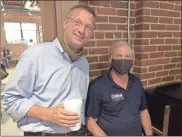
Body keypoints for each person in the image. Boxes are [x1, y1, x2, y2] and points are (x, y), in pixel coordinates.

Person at [1, 4, 95, 136]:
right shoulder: (36, 54)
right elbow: (10, 100)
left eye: (88, 27)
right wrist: (48, 114)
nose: (82, 30)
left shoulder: (83, 63)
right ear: (65, 23)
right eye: (77, 23)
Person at [86, 40, 153, 136]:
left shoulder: (137, 83)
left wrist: (149, 134)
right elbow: (91, 122)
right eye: (119, 56)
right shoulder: (97, 86)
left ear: (133, 59)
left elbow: (143, 111)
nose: (123, 60)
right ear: (110, 59)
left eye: (127, 56)